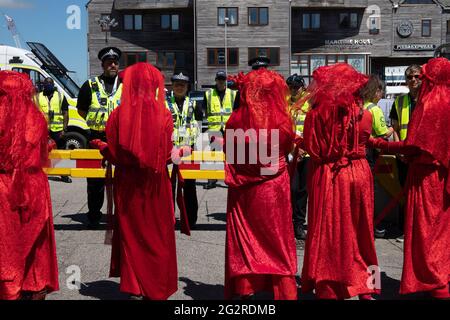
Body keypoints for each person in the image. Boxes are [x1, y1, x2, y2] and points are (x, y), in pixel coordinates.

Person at [90, 62, 178, 300]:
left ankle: (135, 285)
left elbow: (117, 154)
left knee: (132, 233)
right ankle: (156, 283)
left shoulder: (119, 114)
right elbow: (168, 154)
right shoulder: (164, 115)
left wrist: (102, 147)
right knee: (156, 233)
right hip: (156, 183)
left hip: (129, 184)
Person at [370, 58, 450, 299]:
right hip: (441, 176)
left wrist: (379, 143)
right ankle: (439, 277)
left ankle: (433, 282)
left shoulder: (430, 104)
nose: (418, 80)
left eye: (422, 76)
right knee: (441, 232)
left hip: (426, 178)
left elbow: (415, 145)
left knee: (425, 232)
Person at [300, 63, 380, 300]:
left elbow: (315, 151)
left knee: (331, 233)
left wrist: (297, 141)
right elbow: (366, 138)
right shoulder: (364, 113)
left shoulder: (317, 115)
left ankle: (329, 287)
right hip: (361, 172)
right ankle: (367, 286)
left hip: (331, 176)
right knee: (362, 232)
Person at [224, 67, 298, 300]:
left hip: (245, 190)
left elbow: (231, 154)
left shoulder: (236, 120)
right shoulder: (282, 120)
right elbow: (286, 148)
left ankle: (246, 289)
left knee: (246, 240)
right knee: (277, 241)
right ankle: (283, 291)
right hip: (274, 187)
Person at [0, 71, 59, 300]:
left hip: (5, 185)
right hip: (34, 185)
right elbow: (41, 149)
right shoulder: (35, 116)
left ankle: (8, 288)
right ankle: (36, 286)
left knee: (8, 242)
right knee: (35, 243)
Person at [77, 47, 123, 229]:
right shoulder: (90, 85)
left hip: (119, 139)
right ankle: (94, 216)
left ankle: (120, 216)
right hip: (96, 138)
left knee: (121, 180)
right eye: (109, 62)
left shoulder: (125, 85)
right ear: (102, 64)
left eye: (115, 62)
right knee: (95, 181)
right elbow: (82, 110)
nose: (113, 65)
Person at [389, 64, 422, 242]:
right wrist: (398, 150)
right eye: (410, 77)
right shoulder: (399, 101)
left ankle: (420, 231)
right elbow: (394, 128)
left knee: (422, 196)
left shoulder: (429, 100)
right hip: (403, 156)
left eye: (416, 76)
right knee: (405, 194)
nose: (413, 80)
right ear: (406, 81)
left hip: (422, 156)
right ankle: (406, 230)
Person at [360, 75, 394, 238]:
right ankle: (372, 226)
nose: (382, 95)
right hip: (371, 154)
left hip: (359, 154)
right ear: (376, 91)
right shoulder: (374, 109)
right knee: (370, 192)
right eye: (381, 91)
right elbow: (383, 133)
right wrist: (394, 128)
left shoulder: (360, 105)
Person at [166, 72, 200, 229]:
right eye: (177, 84)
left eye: (183, 85)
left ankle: (190, 218)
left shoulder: (194, 104)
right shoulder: (163, 103)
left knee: (189, 185)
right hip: (168, 150)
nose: (180, 87)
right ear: (172, 86)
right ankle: (168, 218)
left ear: (187, 87)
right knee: (168, 186)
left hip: (188, 151)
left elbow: (199, 127)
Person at [203, 71, 237, 190]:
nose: (221, 81)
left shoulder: (233, 94)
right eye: (219, 79)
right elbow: (205, 111)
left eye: (223, 79)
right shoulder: (208, 94)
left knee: (231, 156)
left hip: (229, 129)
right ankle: (212, 179)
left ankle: (231, 178)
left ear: (226, 81)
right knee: (212, 156)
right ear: (216, 80)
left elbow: (237, 111)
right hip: (214, 130)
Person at [287, 74, 310, 241]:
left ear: (303, 87)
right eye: (291, 87)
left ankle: (299, 223)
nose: (294, 90)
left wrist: (305, 148)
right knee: (292, 189)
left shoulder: (310, 103)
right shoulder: (284, 104)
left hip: (308, 152)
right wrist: (294, 148)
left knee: (303, 191)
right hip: (291, 152)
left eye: (297, 87)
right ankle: (288, 221)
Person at [37, 77, 72, 183]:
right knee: (42, 152)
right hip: (43, 130)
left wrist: (64, 130)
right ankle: (42, 173)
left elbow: (65, 113)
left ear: (53, 84)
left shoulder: (60, 96)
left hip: (58, 130)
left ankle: (63, 174)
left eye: (49, 83)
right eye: (46, 84)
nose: (47, 85)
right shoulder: (38, 97)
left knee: (60, 153)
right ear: (43, 85)